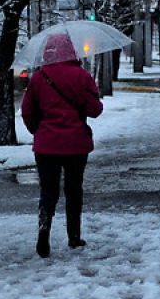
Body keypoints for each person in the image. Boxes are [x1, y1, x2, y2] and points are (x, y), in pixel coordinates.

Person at [20, 33, 104, 258]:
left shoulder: (39, 77)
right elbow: (95, 110)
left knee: (48, 192)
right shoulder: (82, 76)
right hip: (76, 145)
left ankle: (43, 233)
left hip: (46, 146)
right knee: (74, 190)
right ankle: (74, 236)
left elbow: (27, 111)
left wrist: (38, 131)